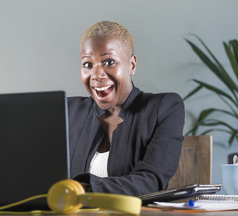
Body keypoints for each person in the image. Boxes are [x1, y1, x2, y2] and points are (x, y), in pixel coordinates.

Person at [68, 21, 185, 196]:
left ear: (132, 65)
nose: (96, 74)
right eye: (87, 64)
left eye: (109, 62)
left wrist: (84, 188)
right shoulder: (69, 111)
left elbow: (152, 181)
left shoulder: (165, 107)